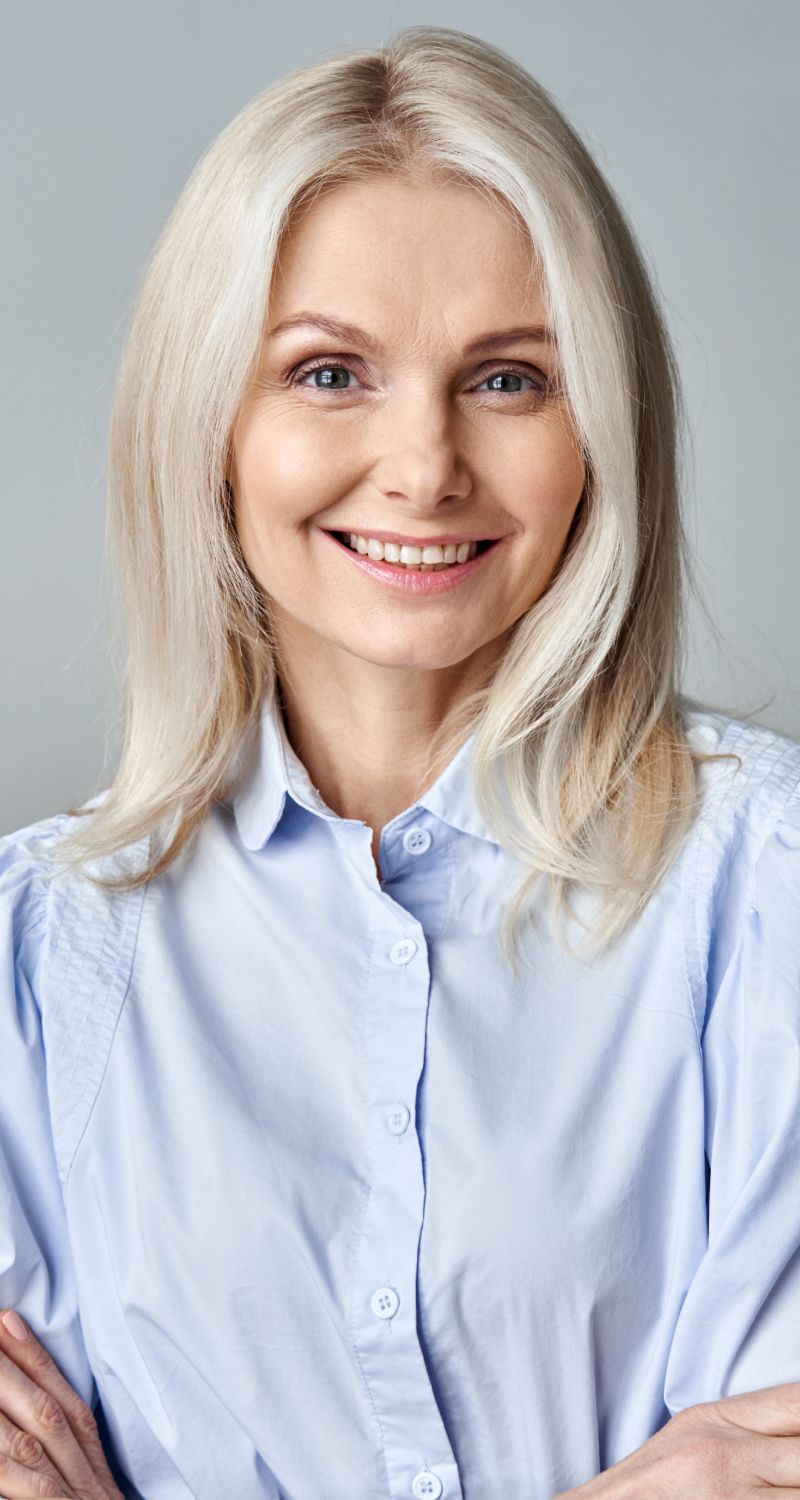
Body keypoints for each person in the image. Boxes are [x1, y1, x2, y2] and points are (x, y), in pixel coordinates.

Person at [0, 23, 798, 1500]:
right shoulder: (36, 963)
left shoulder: (769, 900)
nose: (424, 464)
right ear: (209, 423)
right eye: (328, 373)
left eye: (507, 380)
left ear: (602, 429)